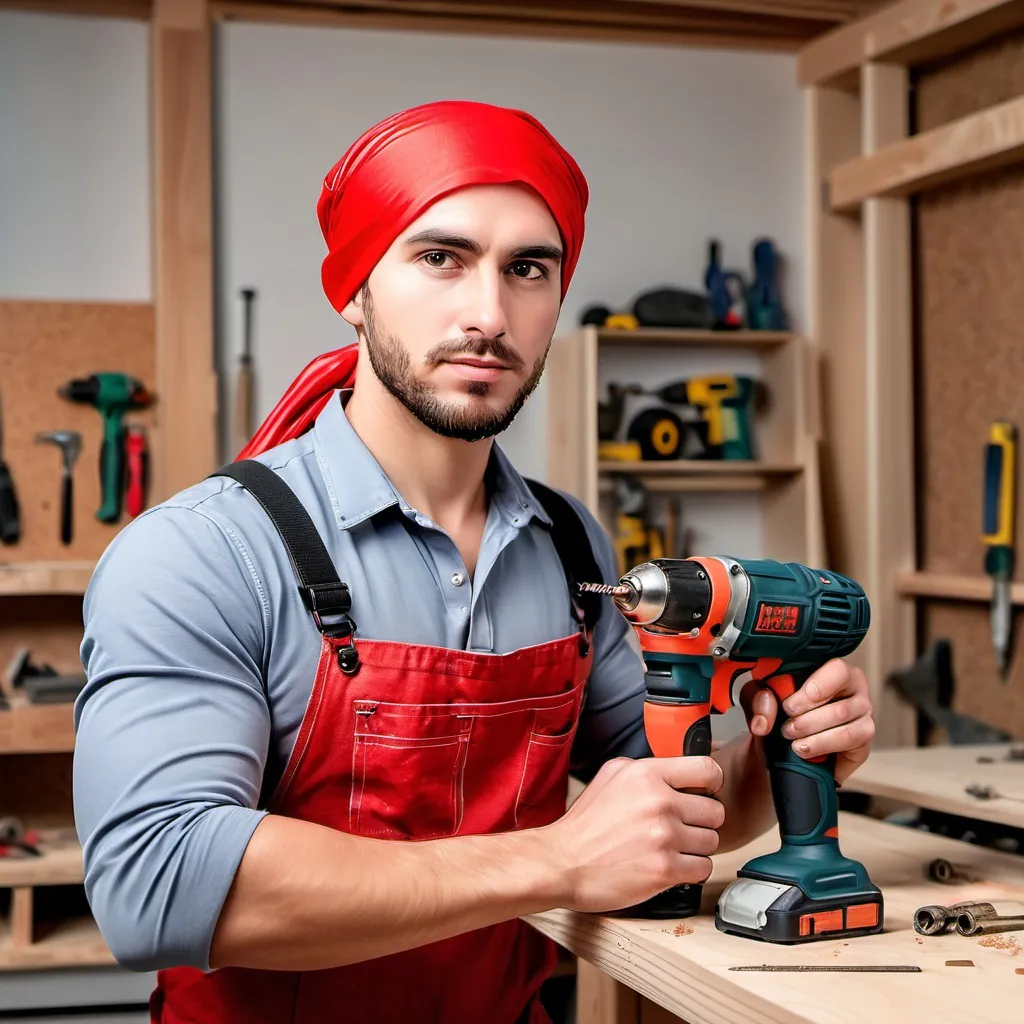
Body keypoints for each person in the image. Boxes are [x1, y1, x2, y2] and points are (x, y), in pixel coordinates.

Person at [73, 100, 876, 1024]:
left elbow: (660, 816)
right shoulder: (202, 553)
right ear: (354, 288)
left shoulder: (570, 545)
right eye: (440, 257)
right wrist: (558, 859)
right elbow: (156, 889)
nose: (489, 314)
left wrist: (778, 757)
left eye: (528, 269)